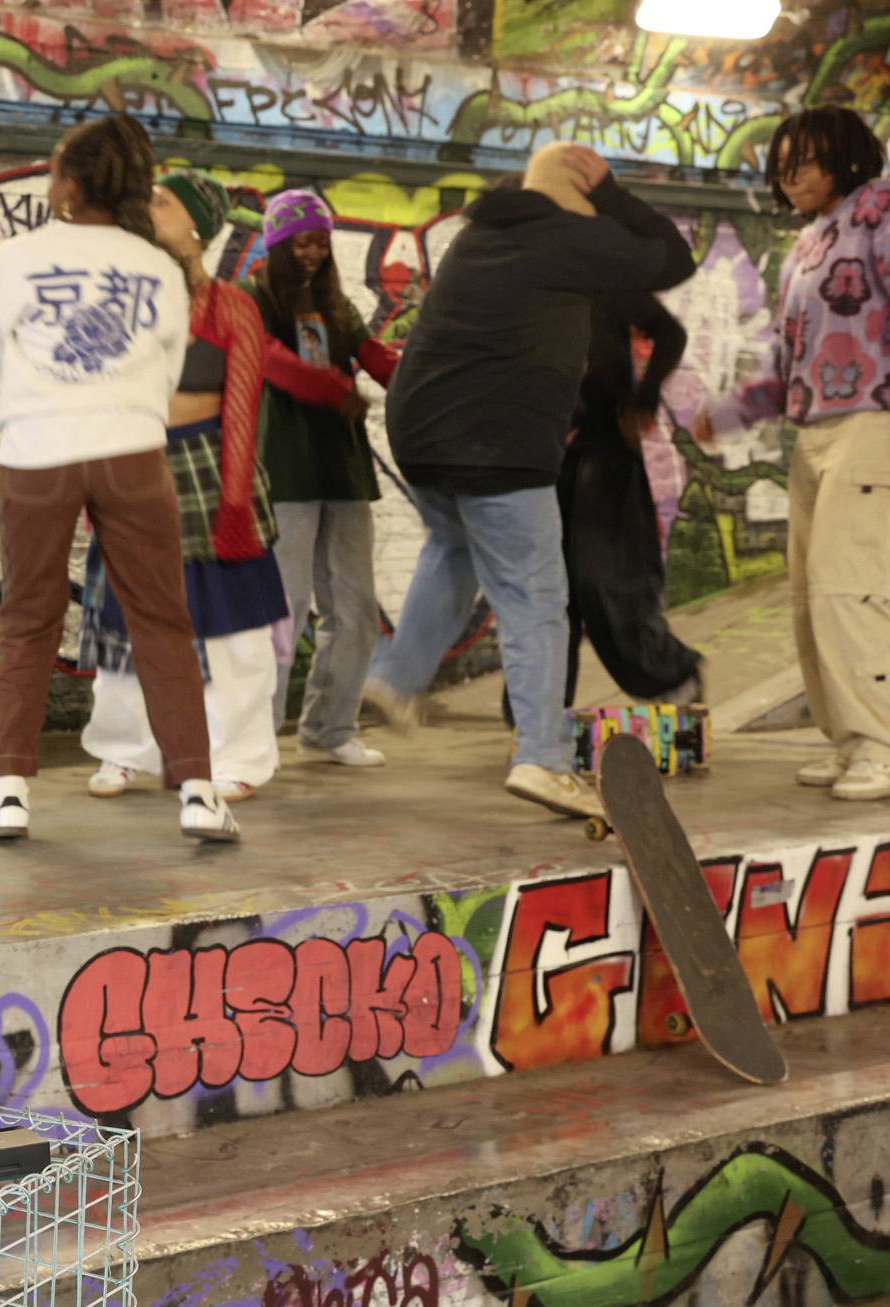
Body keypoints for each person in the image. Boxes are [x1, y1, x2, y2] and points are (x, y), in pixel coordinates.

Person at [362, 143, 695, 820]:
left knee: (452, 548)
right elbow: (670, 255)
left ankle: (394, 680)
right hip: (495, 443)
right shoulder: (565, 236)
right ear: (575, 197)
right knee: (537, 597)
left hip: (420, 434)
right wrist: (610, 195)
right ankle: (542, 757)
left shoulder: (480, 234)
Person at [0, 114, 238, 843]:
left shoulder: (16, 257)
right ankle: (196, 791)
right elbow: (168, 365)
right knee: (161, 620)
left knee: (28, 618)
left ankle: (11, 792)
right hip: (132, 451)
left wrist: (34, 416)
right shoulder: (155, 264)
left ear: (70, 182)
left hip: (36, 451)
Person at [696, 108, 890, 801]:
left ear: (844, 155)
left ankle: (883, 749)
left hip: (882, 417)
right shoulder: (810, 244)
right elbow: (784, 361)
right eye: (780, 163)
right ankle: (847, 740)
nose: (787, 174)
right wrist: (730, 412)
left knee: (844, 583)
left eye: (803, 160)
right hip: (818, 427)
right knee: (810, 594)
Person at [79, 170, 287, 803]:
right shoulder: (119, 298)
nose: (145, 208)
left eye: (161, 203)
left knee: (231, 631)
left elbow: (243, 406)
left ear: (195, 226)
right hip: (133, 465)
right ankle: (123, 752)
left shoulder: (232, 306)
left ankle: (239, 757)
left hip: (207, 468)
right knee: (126, 623)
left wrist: (234, 503)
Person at [242, 188, 397, 769]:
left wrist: (419, 376)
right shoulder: (249, 298)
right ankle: (256, 736)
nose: (312, 254)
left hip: (344, 471)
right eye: (302, 242)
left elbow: (373, 354)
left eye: (322, 244)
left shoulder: (337, 304)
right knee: (285, 609)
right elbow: (266, 360)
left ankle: (330, 729)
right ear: (278, 243)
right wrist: (331, 388)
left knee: (355, 608)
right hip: (284, 472)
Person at [560, 292, 702, 705]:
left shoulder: (603, 277)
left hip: (602, 450)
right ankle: (539, 715)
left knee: (607, 579)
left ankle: (670, 677)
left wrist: (646, 394)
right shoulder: (523, 272)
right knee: (547, 591)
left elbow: (670, 334)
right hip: (544, 453)